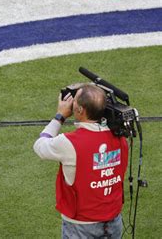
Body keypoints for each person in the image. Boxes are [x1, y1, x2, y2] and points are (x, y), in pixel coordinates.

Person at [33, 84, 128, 238]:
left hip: (81, 226)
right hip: (113, 221)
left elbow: (39, 147)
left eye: (75, 100)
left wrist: (60, 116)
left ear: (80, 110)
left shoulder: (69, 142)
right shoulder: (121, 138)